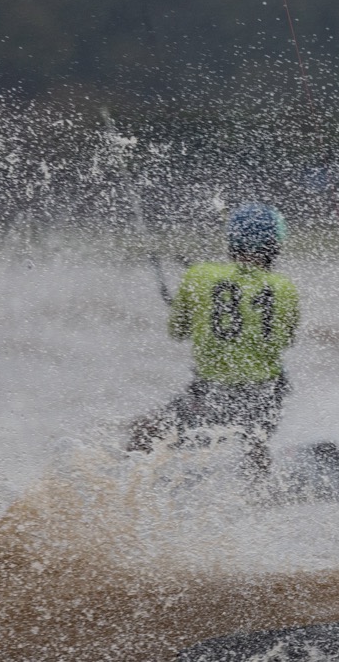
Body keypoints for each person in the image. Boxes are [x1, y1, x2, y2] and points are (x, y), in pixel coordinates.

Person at [126, 203, 300, 481]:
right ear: (274, 246)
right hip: (266, 395)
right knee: (255, 440)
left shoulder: (198, 275)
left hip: (210, 394)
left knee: (144, 432)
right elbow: (285, 339)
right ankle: (259, 484)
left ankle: (134, 489)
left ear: (231, 242)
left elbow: (177, 331)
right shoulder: (285, 287)